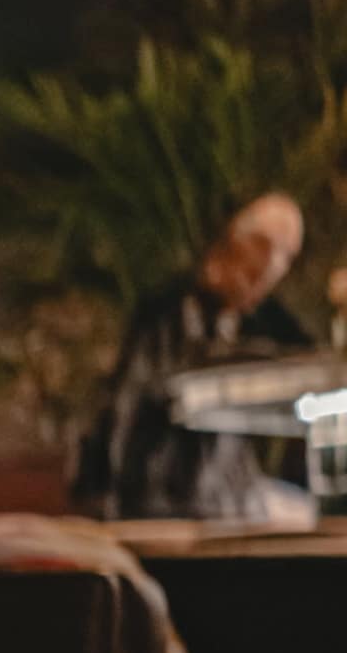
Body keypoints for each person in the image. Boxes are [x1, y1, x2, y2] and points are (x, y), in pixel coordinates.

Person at [75, 191, 312, 521]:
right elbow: (137, 420)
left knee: (305, 510)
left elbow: (305, 355)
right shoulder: (169, 316)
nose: (256, 289)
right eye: (252, 273)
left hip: (224, 494)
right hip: (175, 496)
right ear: (231, 251)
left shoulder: (250, 320)